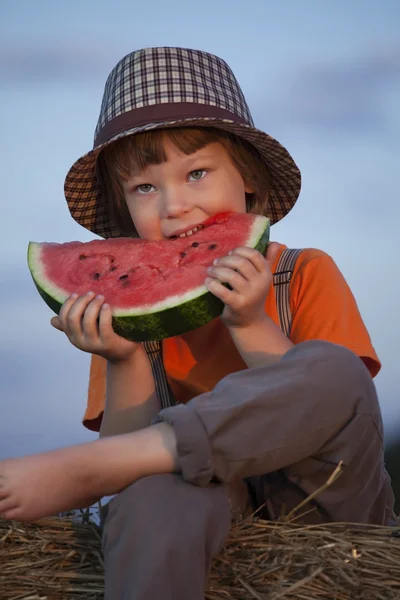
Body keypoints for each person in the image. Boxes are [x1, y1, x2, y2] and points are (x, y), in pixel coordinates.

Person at [0, 47, 396, 599]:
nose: (174, 206)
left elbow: (331, 417)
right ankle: (128, 468)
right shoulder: (124, 307)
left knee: (335, 371)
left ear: (250, 182)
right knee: (153, 499)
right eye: (145, 187)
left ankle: (95, 467)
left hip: (325, 503)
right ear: (123, 208)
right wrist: (124, 354)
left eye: (197, 173)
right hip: (205, 499)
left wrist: (250, 321)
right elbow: (127, 465)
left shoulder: (304, 271)